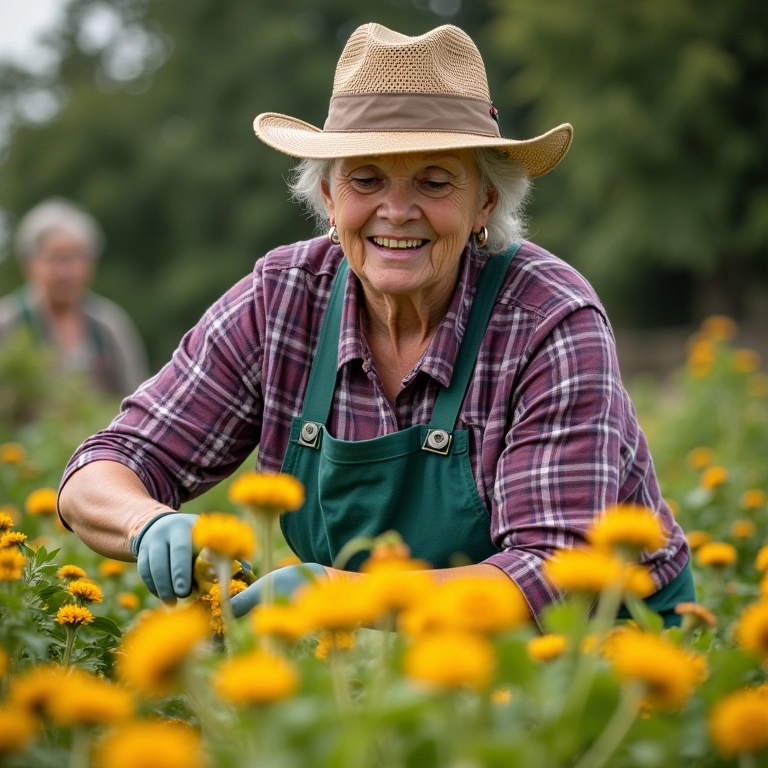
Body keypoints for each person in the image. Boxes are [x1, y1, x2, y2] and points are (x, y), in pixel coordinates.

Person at [58, 23, 693, 626]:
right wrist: (145, 522)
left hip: (600, 652)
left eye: (434, 182)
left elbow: (556, 572)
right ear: (329, 199)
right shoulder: (281, 299)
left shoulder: (548, 318)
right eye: (366, 179)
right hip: (379, 656)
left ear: (485, 202)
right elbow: (108, 463)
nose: (396, 210)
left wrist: (339, 595)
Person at [0, 198, 149, 397]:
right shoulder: (7, 323)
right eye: (56, 259)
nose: (67, 271)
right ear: (29, 264)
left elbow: (137, 396)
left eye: (77, 257)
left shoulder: (109, 325)